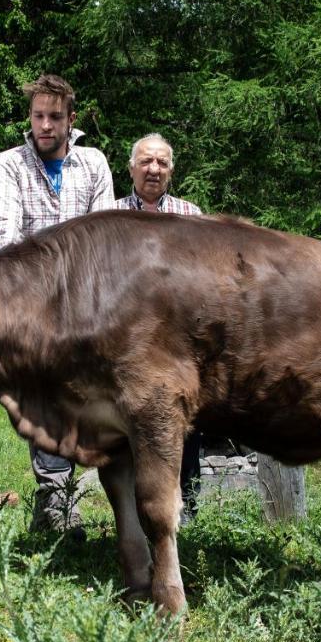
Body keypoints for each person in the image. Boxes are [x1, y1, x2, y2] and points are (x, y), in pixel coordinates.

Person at [0, 74, 114, 536]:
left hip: (87, 301)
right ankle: (52, 500)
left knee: (86, 396)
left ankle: (70, 497)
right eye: (38, 116)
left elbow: (104, 232)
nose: (45, 125)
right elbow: (7, 236)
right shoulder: (9, 165)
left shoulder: (93, 164)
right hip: (34, 302)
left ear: (70, 119)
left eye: (54, 117)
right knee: (43, 397)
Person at [114, 133, 205, 521]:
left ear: (171, 170)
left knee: (186, 419)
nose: (153, 169)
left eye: (162, 163)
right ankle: (137, 509)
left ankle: (187, 504)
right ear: (131, 167)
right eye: (146, 162)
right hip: (127, 341)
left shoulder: (192, 215)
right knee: (131, 424)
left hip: (180, 339)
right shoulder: (109, 215)